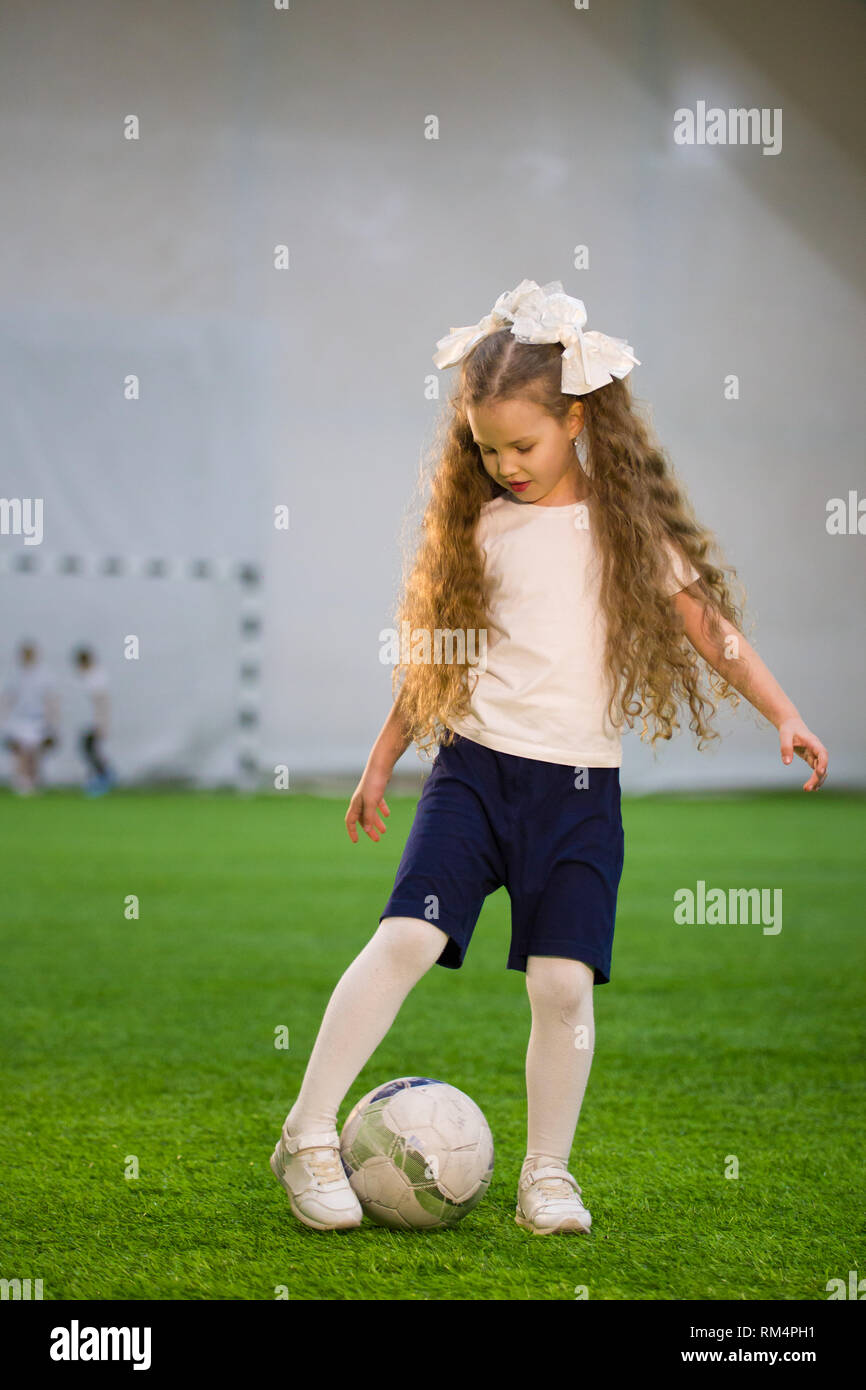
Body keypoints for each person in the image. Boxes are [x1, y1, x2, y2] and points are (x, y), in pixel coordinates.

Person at [270, 278, 829, 1235]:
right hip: (475, 771)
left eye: (521, 445)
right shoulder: (479, 529)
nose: (505, 465)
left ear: (576, 420)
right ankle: (308, 1132)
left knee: (563, 983)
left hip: (578, 790)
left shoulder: (627, 530)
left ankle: (547, 1176)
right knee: (409, 935)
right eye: (486, 450)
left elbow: (707, 626)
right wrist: (379, 762)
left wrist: (783, 712)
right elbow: (435, 660)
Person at [1, 641, 60, 795]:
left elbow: (50, 699)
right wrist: (4, 719)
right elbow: (8, 698)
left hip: (37, 718)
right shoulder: (15, 675)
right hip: (20, 718)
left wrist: (52, 720)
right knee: (21, 752)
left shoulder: (44, 675)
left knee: (34, 752)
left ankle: (34, 780)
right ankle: (21, 781)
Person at [71, 647, 115, 795]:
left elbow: (102, 702)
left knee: (91, 751)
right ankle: (100, 777)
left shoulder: (96, 678)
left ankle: (104, 777)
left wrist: (102, 724)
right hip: (89, 721)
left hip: (94, 722)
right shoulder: (87, 677)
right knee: (89, 751)